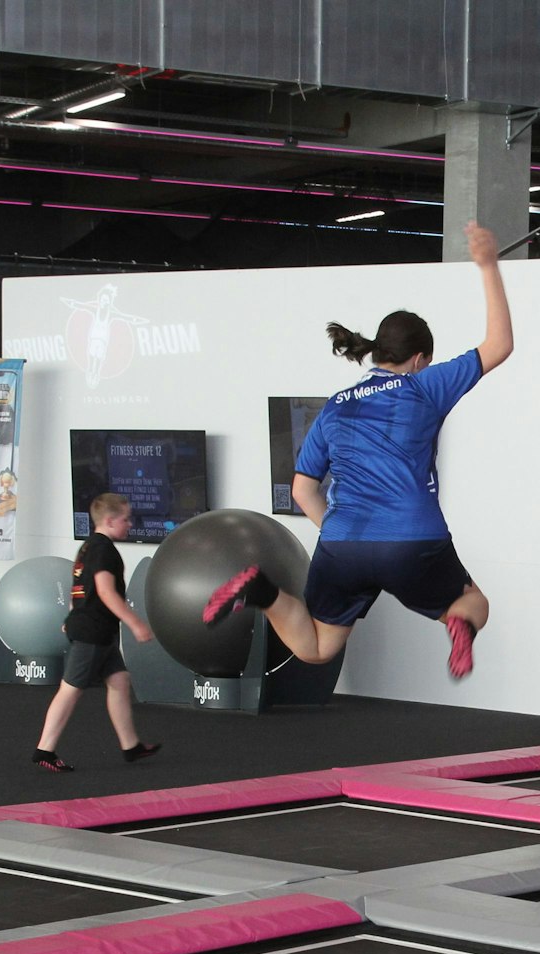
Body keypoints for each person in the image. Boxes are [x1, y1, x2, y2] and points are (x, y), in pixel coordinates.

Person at [203, 221, 512, 678]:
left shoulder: (334, 407)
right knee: (473, 603)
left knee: (318, 646)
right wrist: (487, 264)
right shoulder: (423, 387)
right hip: (412, 539)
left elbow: (303, 489)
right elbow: (500, 344)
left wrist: (341, 530)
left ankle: (263, 593)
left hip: (342, 544)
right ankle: (457, 622)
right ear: (420, 359)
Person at [33, 494, 161, 772]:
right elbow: (104, 591)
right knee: (70, 690)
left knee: (120, 680)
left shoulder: (87, 547)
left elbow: (79, 589)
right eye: (126, 519)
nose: (129, 524)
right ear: (110, 520)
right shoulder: (104, 551)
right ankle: (45, 749)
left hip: (96, 630)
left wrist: (72, 615)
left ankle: (131, 746)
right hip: (93, 632)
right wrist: (135, 623)